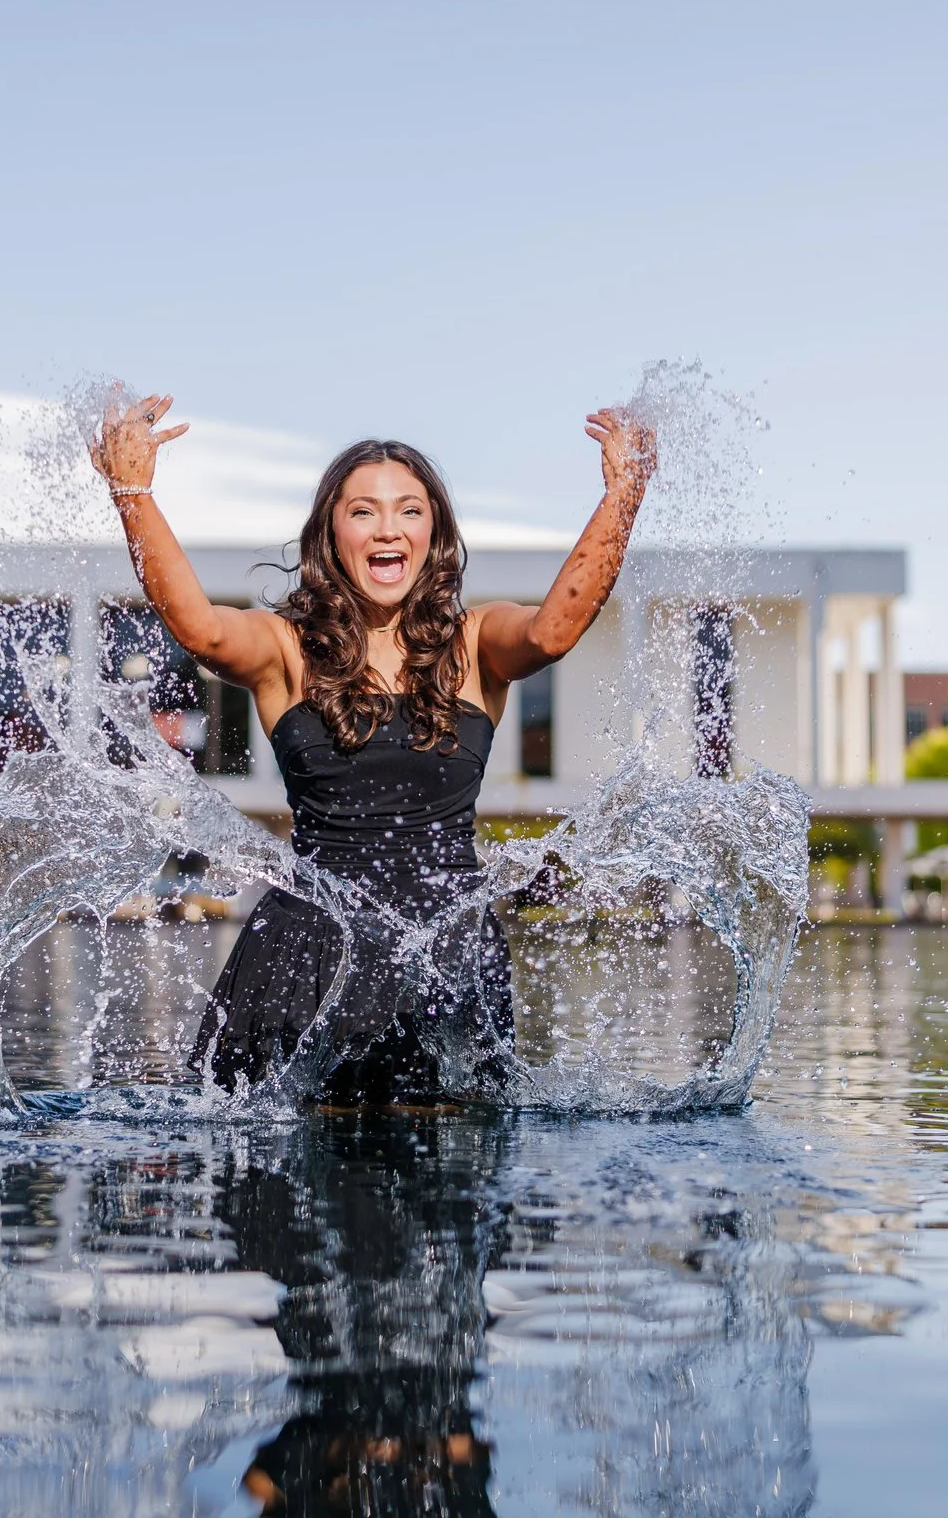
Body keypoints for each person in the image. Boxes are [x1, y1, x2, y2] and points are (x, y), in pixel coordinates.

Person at [89, 395, 656, 1104]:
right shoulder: (286, 648)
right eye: (364, 511)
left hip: (448, 960)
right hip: (305, 957)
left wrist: (622, 498)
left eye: (409, 510)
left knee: (454, 1148)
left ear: (433, 532)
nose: (388, 528)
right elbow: (200, 629)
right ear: (332, 533)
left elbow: (552, 632)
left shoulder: (474, 642)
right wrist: (133, 494)